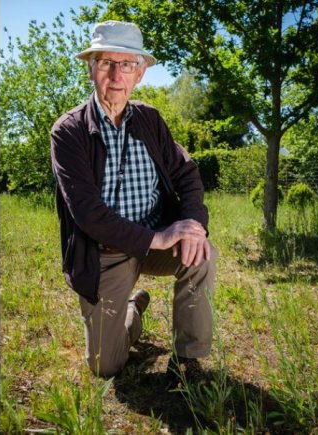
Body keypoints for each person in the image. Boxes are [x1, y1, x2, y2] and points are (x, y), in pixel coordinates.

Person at [50, 20, 218, 379]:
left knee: (201, 253)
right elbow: (87, 213)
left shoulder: (150, 120)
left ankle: (187, 359)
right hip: (105, 256)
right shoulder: (68, 131)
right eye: (107, 63)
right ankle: (135, 308)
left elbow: (186, 172)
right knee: (104, 366)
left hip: (157, 239)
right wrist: (158, 238)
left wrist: (192, 226)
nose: (116, 75)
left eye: (126, 65)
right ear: (91, 68)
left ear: (139, 73)